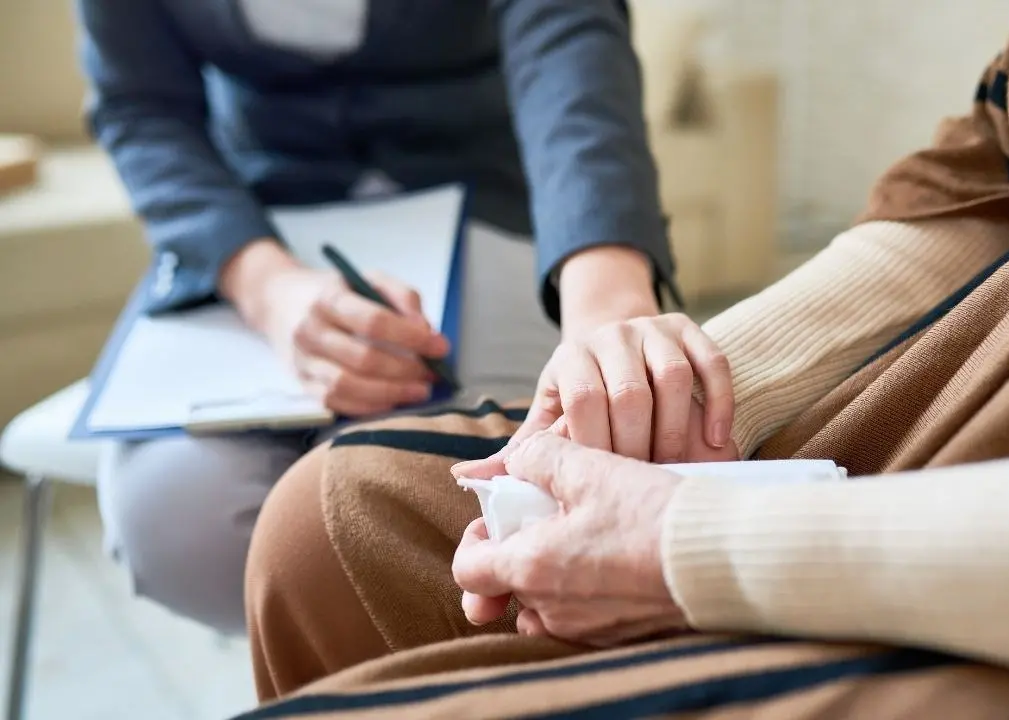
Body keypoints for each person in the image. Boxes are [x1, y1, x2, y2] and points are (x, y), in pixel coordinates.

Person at [239, 0, 1009, 716]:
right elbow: (1000, 161)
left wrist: (693, 549)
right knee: (323, 524)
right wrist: (689, 387)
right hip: (983, 358)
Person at [78, 0, 734, 635]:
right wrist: (268, 290)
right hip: (254, 231)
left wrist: (606, 300)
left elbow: (565, 38)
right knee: (175, 531)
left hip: (491, 200)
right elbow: (139, 105)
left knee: (474, 514)